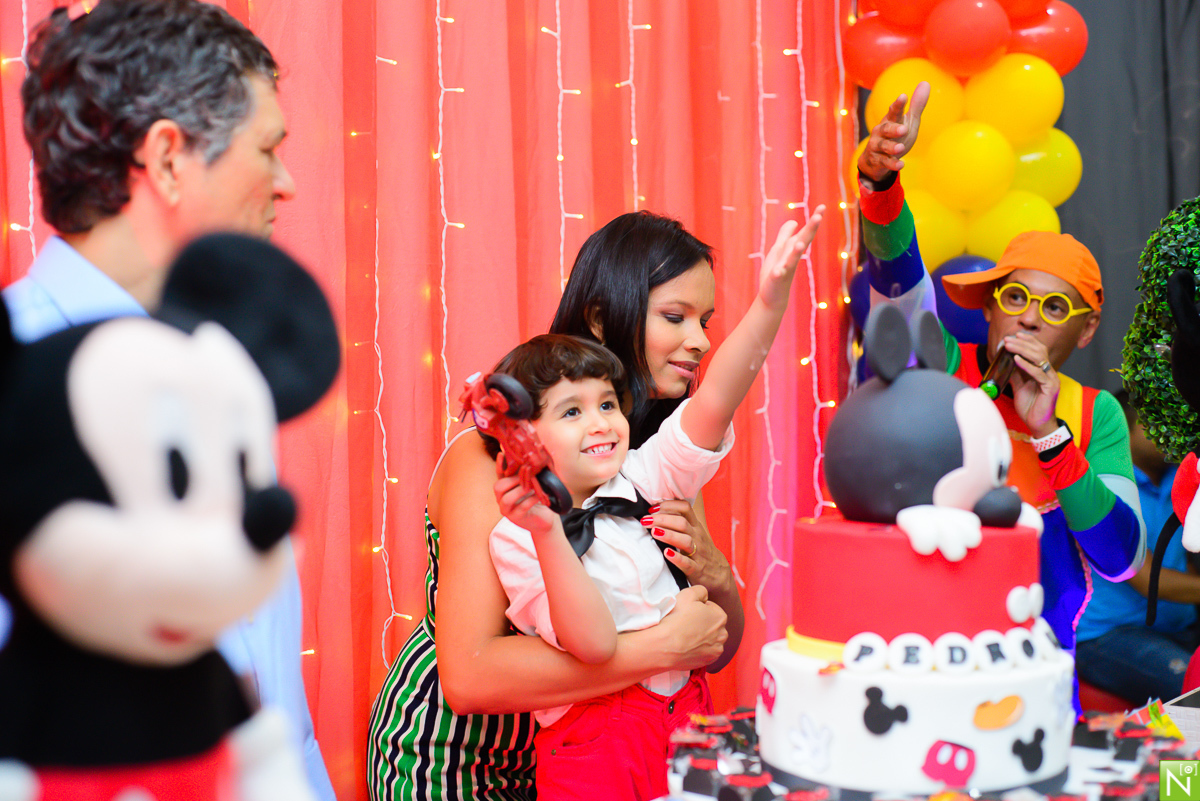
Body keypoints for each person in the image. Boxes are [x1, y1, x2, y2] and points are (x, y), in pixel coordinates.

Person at [3, 2, 334, 798]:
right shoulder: (17, 383)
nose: (286, 184)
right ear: (169, 157)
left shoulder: (218, 371)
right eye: (268, 148)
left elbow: (271, 697)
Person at [367, 210, 779, 800]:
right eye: (674, 317)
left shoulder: (652, 460)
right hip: (460, 755)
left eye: (706, 320)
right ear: (600, 316)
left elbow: (712, 645)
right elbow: (471, 675)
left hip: (600, 759)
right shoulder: (492, 456)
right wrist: (658, 648)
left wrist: (718, 578)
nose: (702, 341)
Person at [487, 205, 819, 800]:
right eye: (572, 411)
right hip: (593, 739)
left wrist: (770, 302)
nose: (601, 424)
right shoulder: (515, 535)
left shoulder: (646, 473)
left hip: (684, 712)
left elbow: (717, 397)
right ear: (526, 437)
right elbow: (592, 648)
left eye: (609, 404)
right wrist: (545, 531)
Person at [856, 82, 1145, 671]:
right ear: (989, 307)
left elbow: (1122, 557)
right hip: (919, 656)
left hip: (1037, 672)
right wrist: (883, 187)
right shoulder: (942, 366)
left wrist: (1050, 438)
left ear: (1085, 333)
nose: (1031, 317)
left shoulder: (1095, 414)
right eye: (1016, 296)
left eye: (1056, 308)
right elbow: (900, 287)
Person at [1076, 392, 1196, 704]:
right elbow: (1144, 578)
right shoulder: (1104, 484)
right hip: (1109, 636)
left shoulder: (1180, 476)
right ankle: (1179, 756)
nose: (1166, 430)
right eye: (1153, 423)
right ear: (1121, 430)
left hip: (1179, 625)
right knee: (1194, 691)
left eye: (1170, 421)